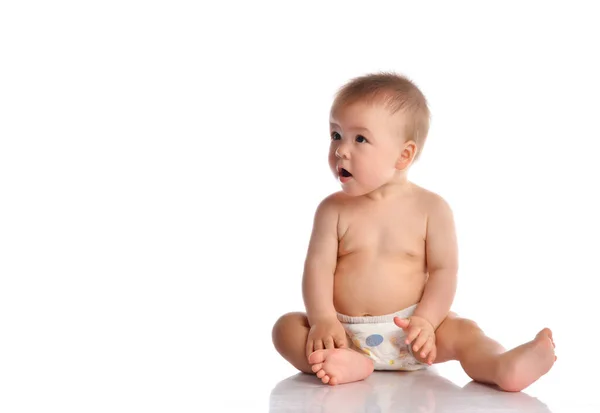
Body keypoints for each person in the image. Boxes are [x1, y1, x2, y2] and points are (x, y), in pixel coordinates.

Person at [271, 72, 556, 391]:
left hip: (412, 332)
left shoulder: (431, 209)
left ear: (404, 155)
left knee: (465, 333)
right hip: (342, 333)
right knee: (286, 328)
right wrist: (323, 318)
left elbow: (443, 271)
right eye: (336, 135)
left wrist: (427, 321)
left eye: (359, 139)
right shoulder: (332, 210)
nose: (340, 150)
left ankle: (501, 365)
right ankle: (351, 362)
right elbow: (318, 267)